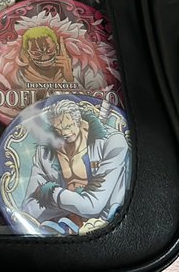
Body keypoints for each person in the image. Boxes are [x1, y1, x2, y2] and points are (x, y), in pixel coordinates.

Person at [21, 98, 129, 235]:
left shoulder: (113, 142)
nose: (64, 133)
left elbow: (93, 206)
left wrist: (51, 193)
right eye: (58, 129)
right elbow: (29, 209)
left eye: (68, 126)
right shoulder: (45, 152)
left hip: (108, 228)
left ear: (79, 121)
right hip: (60, 229)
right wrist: (74, 204)